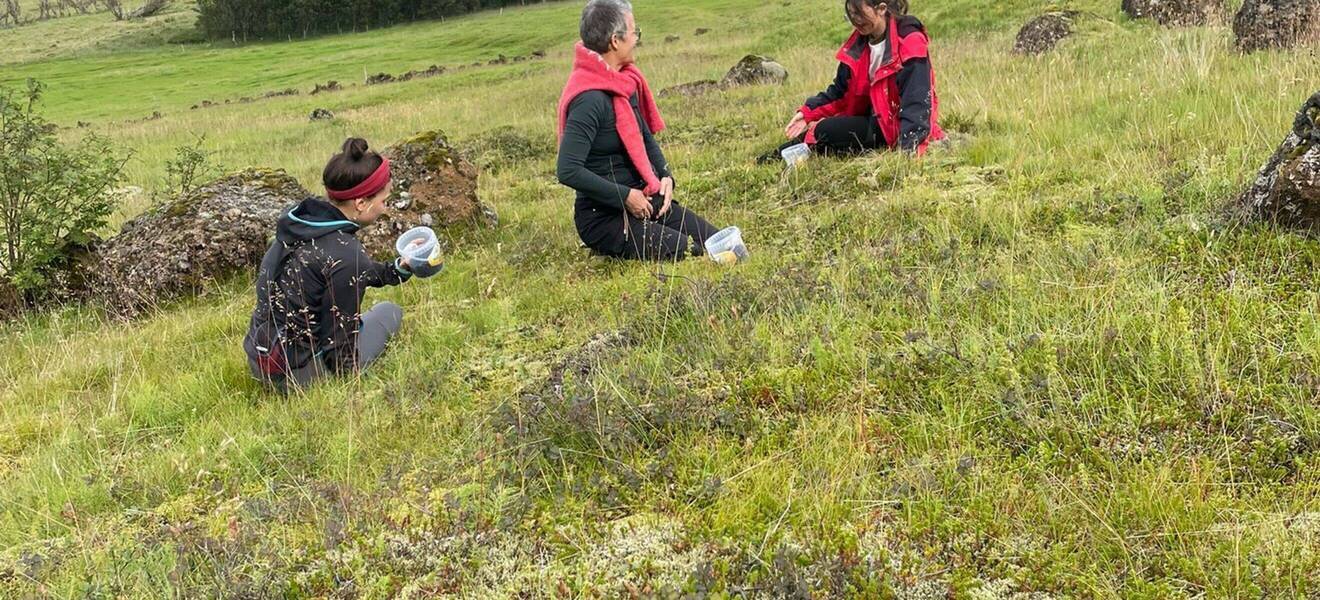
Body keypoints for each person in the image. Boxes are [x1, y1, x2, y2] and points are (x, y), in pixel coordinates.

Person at [242, 138, 419, 393]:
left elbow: (337, 270)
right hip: (297, 377)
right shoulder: (346, 254)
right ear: (361, 203)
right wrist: (353, 385)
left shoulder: (300, 223)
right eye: (384, 200)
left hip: (261, 359)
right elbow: (340, 349)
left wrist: (397, 270)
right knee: (389, 311)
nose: (385, 208)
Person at [556, 0, 722, 262]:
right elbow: (567, 170)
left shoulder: (624, 82)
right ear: (615, 41)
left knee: (717, 242)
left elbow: (644, 137)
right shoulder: (588, 100)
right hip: (604, 215)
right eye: (635, 32)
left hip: (646, 201)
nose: (637, 39)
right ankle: (609, 247)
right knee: (690, 252)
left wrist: (665, 176)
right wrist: (625, 196)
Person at [773, 0, 944, 160]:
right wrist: (807, 113)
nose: (855, 20)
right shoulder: (859, 44)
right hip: (873, 118)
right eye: (851, 14)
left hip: (896, 125)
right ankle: (783, 154)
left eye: (859, 13)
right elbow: (840, 92)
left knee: (824, 130)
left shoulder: (909, 40)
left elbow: (918, 100)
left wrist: (909, 150)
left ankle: (791, 152)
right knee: (825, 129)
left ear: (881, 8)